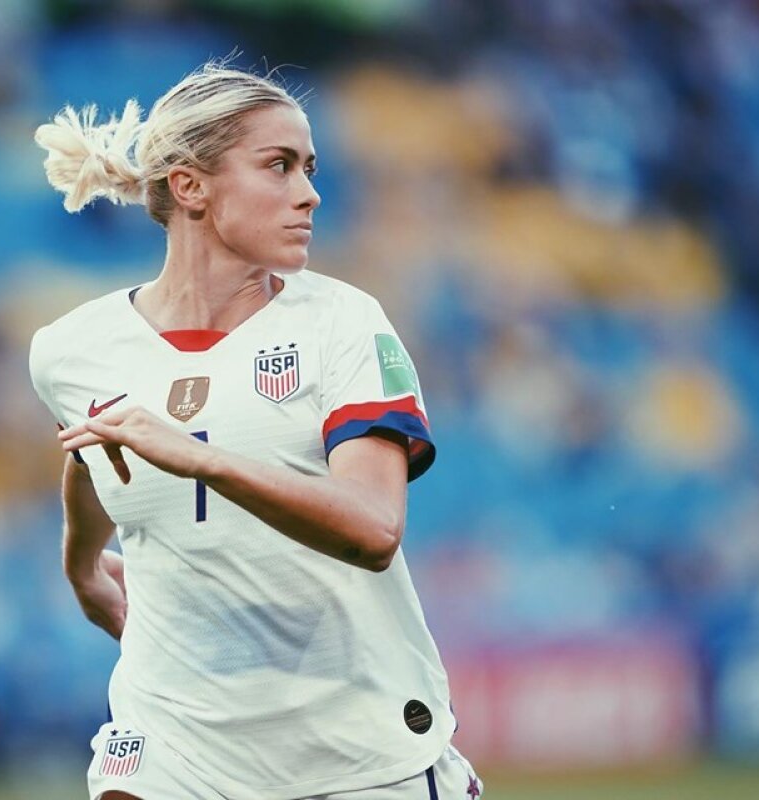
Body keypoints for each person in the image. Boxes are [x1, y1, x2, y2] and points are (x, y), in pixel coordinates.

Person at [29, 61, 483, 800]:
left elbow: (372, 530)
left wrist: (206, 462)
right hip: (176, 740)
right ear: (190, 187)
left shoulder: (344, 323)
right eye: (279, 166)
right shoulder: (70, 349)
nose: (309, 193)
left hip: (355, 747)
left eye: (308, 168)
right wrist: (81, 560)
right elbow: (95, 453)